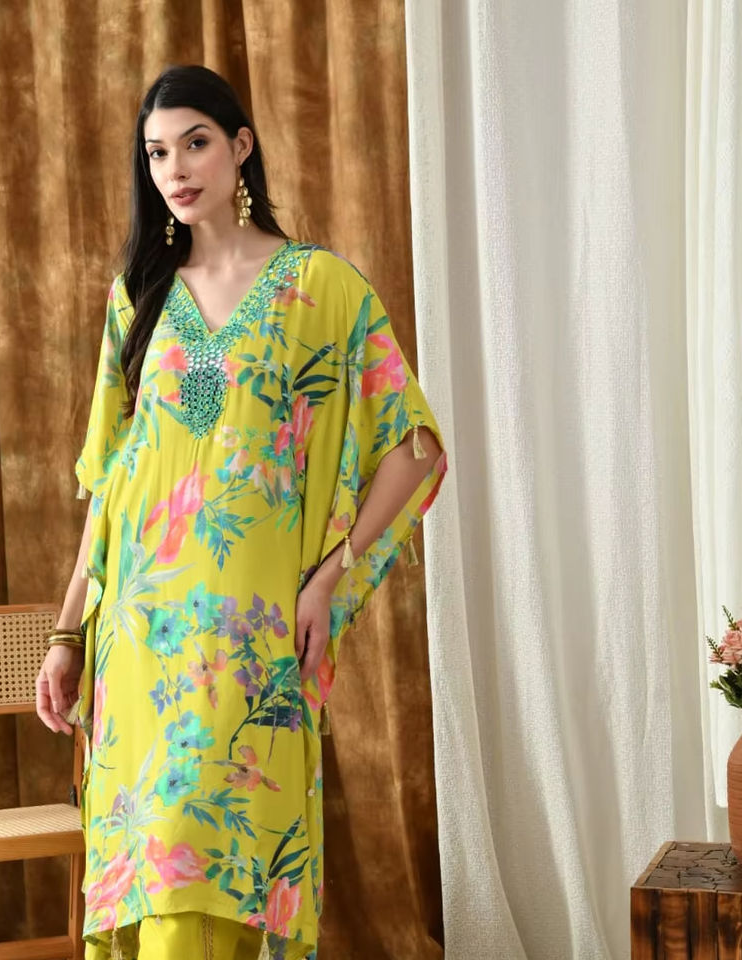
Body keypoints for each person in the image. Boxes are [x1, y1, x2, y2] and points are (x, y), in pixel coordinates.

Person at [35, 64, 447, 960]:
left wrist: (331, 574)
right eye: (156, 153)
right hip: (141, 644)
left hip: (251, 642)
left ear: (241, 146)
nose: (176, 169)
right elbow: (110, 485)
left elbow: (415, 449)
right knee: (155, 875)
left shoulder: (321, 288)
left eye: (195, 143)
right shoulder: (137, 296)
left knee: (224, 861)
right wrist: (67, 635)